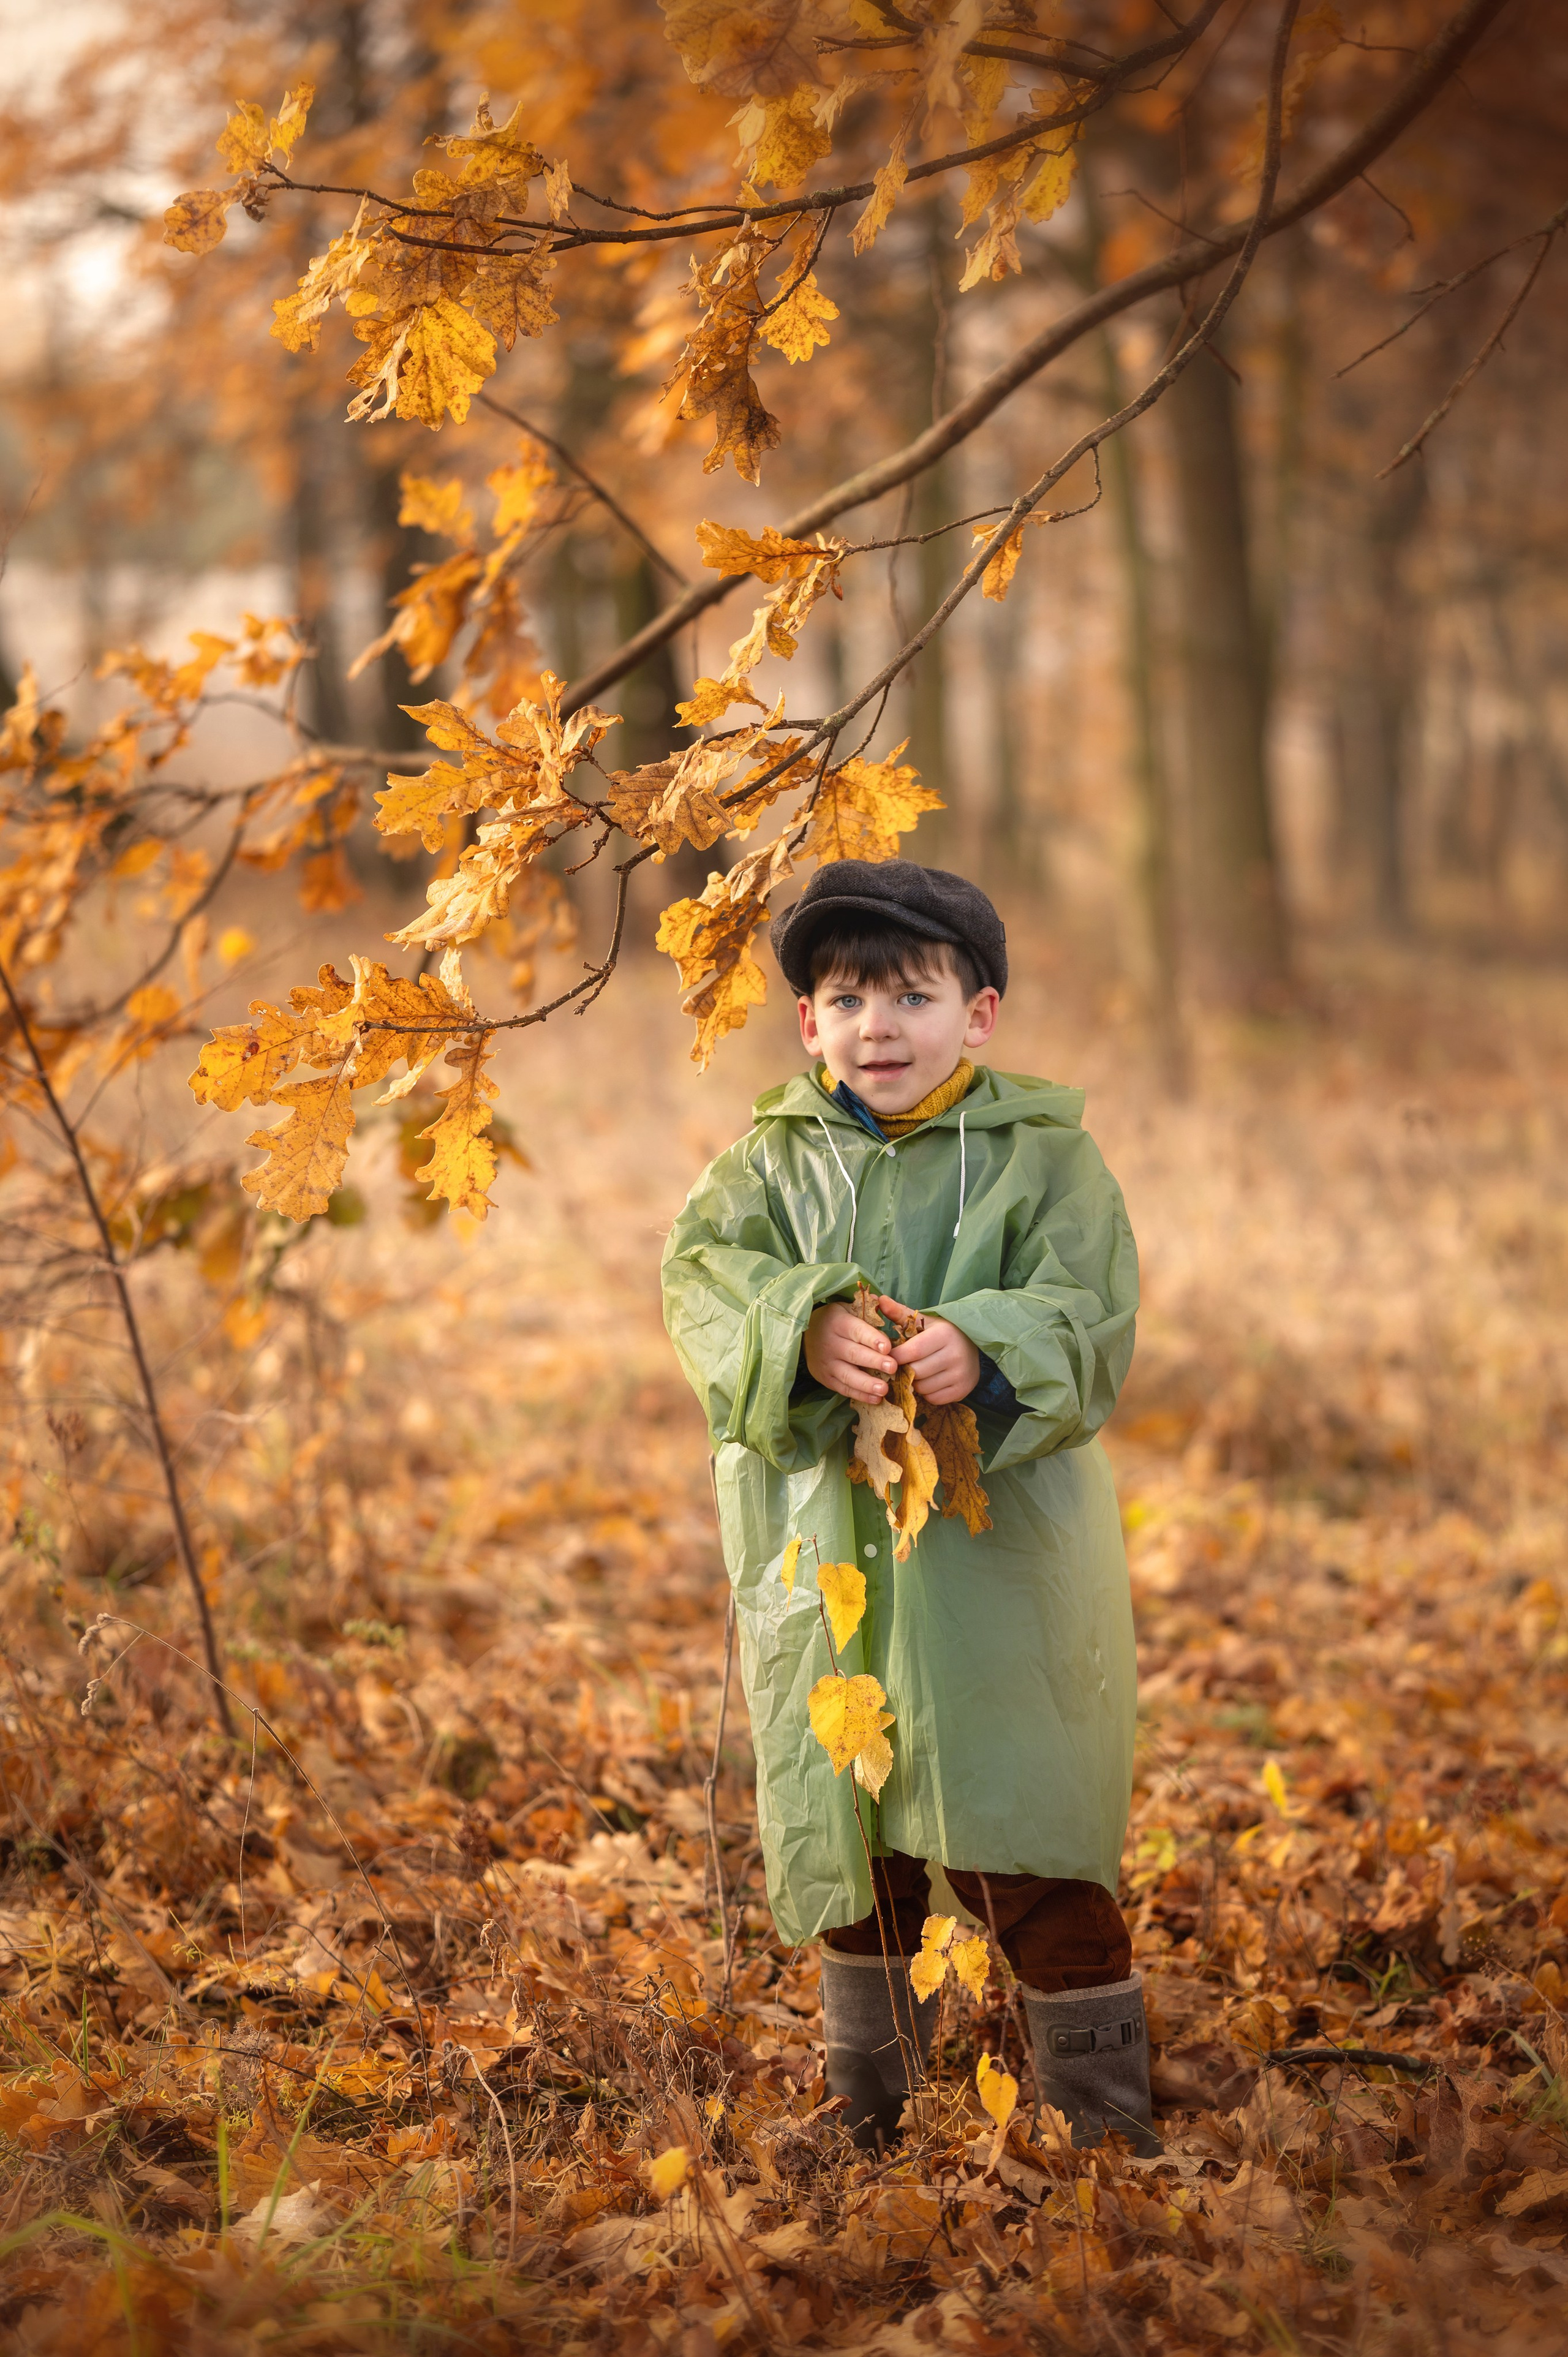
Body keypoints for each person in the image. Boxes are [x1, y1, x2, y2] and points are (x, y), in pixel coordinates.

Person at [660, 858, 1156, 2155]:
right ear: (806, 1024)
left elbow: (1089, 1314)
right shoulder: (766, 1167)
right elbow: (703, 1288)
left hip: (996, 1559)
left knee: (1025, 1817)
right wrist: (800, 1326)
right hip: (826, 1543)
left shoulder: (1045, 1160)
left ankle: (1103, 2122)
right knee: (849, 1817)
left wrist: (982, 1347)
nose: (877, 1026)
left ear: (978, 1014)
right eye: (845, 999)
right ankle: (862, 2098)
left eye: (912, 995)